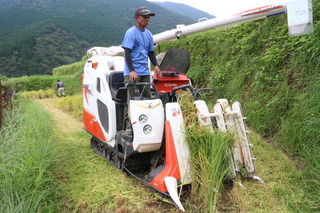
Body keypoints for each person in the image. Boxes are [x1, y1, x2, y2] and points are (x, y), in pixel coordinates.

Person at [121, 6, 163, 98]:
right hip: (132, 73)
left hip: (145, 72)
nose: (147, 20)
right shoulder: (131, 32)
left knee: (148, 98)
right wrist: (132, 70)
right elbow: (127, 52)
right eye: (144, 17)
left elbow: (151, 52)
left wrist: (156, 65)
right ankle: (128, 113)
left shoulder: (148, 34)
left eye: (148, 17)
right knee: (130, 100)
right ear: (137, 18)